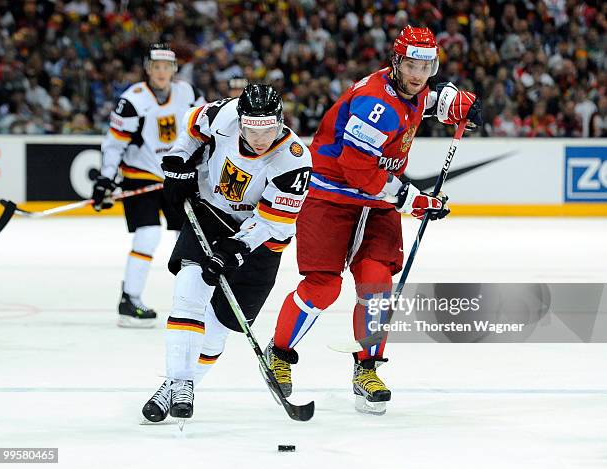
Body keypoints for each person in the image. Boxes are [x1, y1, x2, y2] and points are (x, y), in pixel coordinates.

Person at [264, 26, 482, 415]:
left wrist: (452, 102)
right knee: (323, 287)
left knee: (377, 285)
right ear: (396, 61)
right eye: (412, 64)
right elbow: (358, 171)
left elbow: (421, 102)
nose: (419, 74)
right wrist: (411, 199)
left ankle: (367, 368)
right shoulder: (373, 104)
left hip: (376, 201)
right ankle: (279, 353)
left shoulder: (407, 88)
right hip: (332, 196)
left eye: (427, 65)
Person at [141, 84, 312, 423]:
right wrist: (178, 158)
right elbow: (192, 126)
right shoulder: (224, 114)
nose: (259, 137)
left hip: (263, 241)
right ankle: (180, 383)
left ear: (280, 121)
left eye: (268, 129)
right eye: (251, 128)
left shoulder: (294, 159)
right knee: (189, 294)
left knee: (221, 325)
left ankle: (177, 384)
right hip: (212, 215)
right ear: (240, 119)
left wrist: (238, 247)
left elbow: (273, 221)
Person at [91, 44, 205, 328]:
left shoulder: (188, 94)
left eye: (167, 67)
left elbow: (205, 131)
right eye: (157, 67)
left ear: (174, 69)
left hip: (175, 177)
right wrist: (106, 178)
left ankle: (192, 301)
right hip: (140, 175)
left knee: (188, 237)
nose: (162, 72)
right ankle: (129, 300)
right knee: (148, 235)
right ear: (148, 69)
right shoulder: (132, 100)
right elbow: (114, 143)